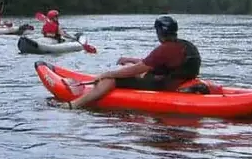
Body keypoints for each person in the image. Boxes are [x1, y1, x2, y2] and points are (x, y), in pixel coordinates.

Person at [65, 15, 201, 109]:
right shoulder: (184, 45)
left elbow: (139, 68)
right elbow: (152, 63)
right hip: (179, 80)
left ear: (159, 32)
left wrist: (108, 74)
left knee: (112, 79)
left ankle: (75, 104)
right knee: (128, 67)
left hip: (166, 85)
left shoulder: (165, 49)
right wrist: (129, 60)